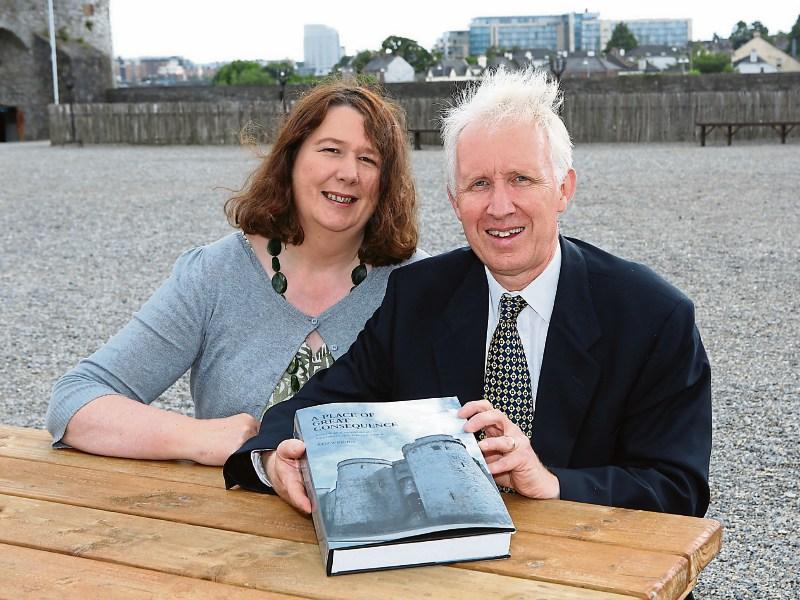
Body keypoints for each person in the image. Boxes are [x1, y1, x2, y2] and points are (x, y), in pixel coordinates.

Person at [223, 67, 711, 519]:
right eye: (479, 184)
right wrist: (271, 457)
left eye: (522, 179)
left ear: (564, 189)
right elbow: (321, 404)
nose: (500, 206)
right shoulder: (418, 295)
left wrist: (552, 481)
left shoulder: (652, 315)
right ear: (455, 201)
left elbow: (678, 487)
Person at [46, 79, 424, 466]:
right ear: (291, 159)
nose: (349, 173)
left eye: (369, 159)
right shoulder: (214, 275)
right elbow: (74, 400)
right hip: (223, 523)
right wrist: (197, 438)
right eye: (331, 150)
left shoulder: (422, 285)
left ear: (386, 182)